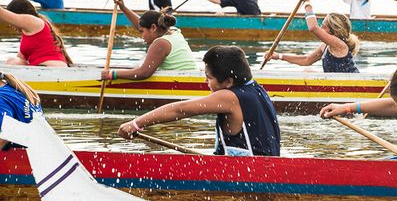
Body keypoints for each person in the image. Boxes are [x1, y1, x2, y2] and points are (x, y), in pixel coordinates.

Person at [118, 46, 280, 157]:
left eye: (209, 78)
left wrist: (136, 124)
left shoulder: (228, 97)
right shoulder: (258, 89)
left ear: (229, 82)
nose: (205, 81)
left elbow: (181, 110)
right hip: (269, 167)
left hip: (247, 174)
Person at [103, 0, 195, 81]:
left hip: (185, 82)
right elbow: (142, 24)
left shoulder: (161, 43)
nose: (142, 36)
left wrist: (112, 74)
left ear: (154, 28)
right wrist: (123, 7)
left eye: (142, 32)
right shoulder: (174, 31)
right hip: (192, 79)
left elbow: (143, 73)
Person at [268, 0, 359, 73]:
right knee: (308, 71)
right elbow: (306, 60)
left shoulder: (340, 45)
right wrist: (279, 56)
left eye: (323, 27)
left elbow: (313, 27)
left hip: (355, 86)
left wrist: (307, 2)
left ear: (334, 32)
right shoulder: (325, 47)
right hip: (335, 86)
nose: (320, 29)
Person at [1, 0, 71, 67]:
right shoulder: (29, 31)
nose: (10, 24)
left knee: (12, 61)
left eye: (12, 21)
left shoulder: (33, 21)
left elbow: (2, 13)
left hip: (52, 68)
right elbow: (20, 58)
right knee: (14, 61)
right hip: (42, 69)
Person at [0, 71, 43, 150]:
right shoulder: (16, 88)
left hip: (26, 153)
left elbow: (6, 133)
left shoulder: (1, 98)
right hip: (41, 144)